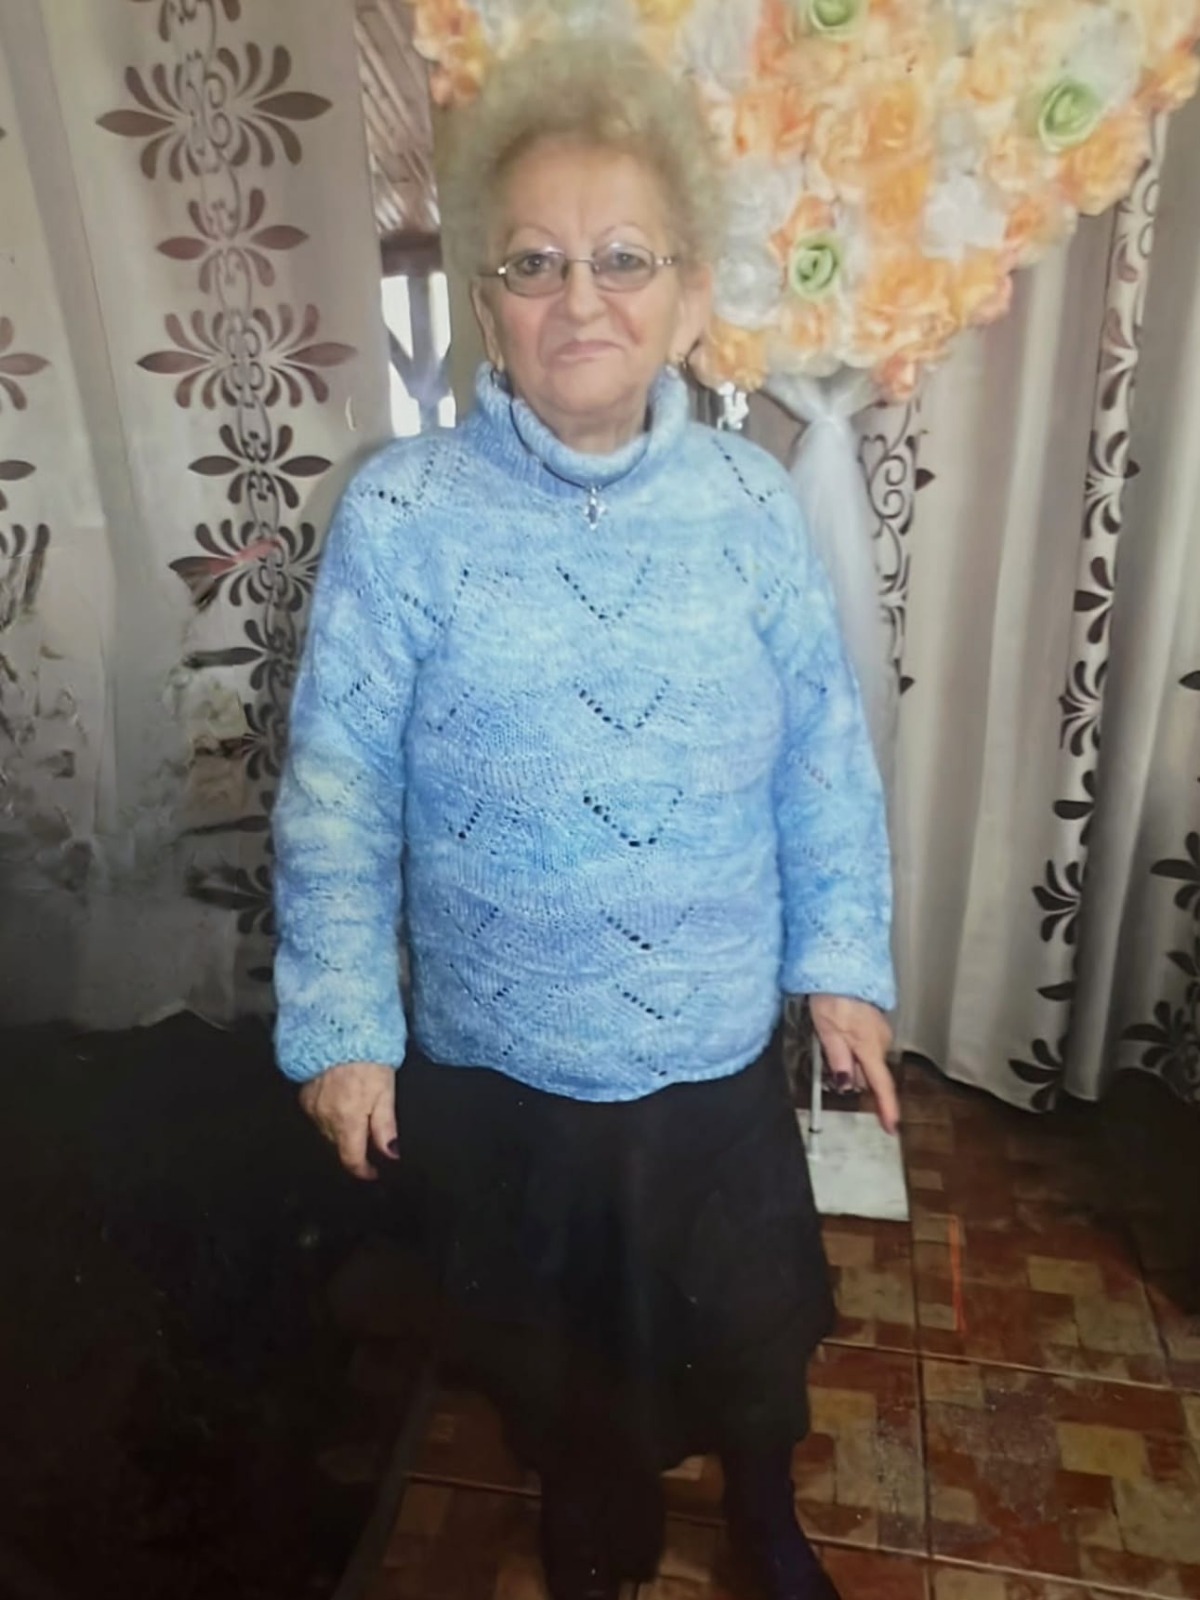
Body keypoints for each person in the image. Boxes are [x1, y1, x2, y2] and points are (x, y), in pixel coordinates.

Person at [272, 35, 898, 1600]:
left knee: (743, 1322)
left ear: (689, 299)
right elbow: (338, 796)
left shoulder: (750, 506)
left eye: (625, 258)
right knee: (556, 1348)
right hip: (506, 1063)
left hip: (709, 1051)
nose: (581, 299)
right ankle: (589, 1513)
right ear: (485, 303)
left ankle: (766, 1509)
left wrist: (843, 967)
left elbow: (824, 755)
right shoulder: (402, 518)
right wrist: (343, 1024)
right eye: (534, 262)